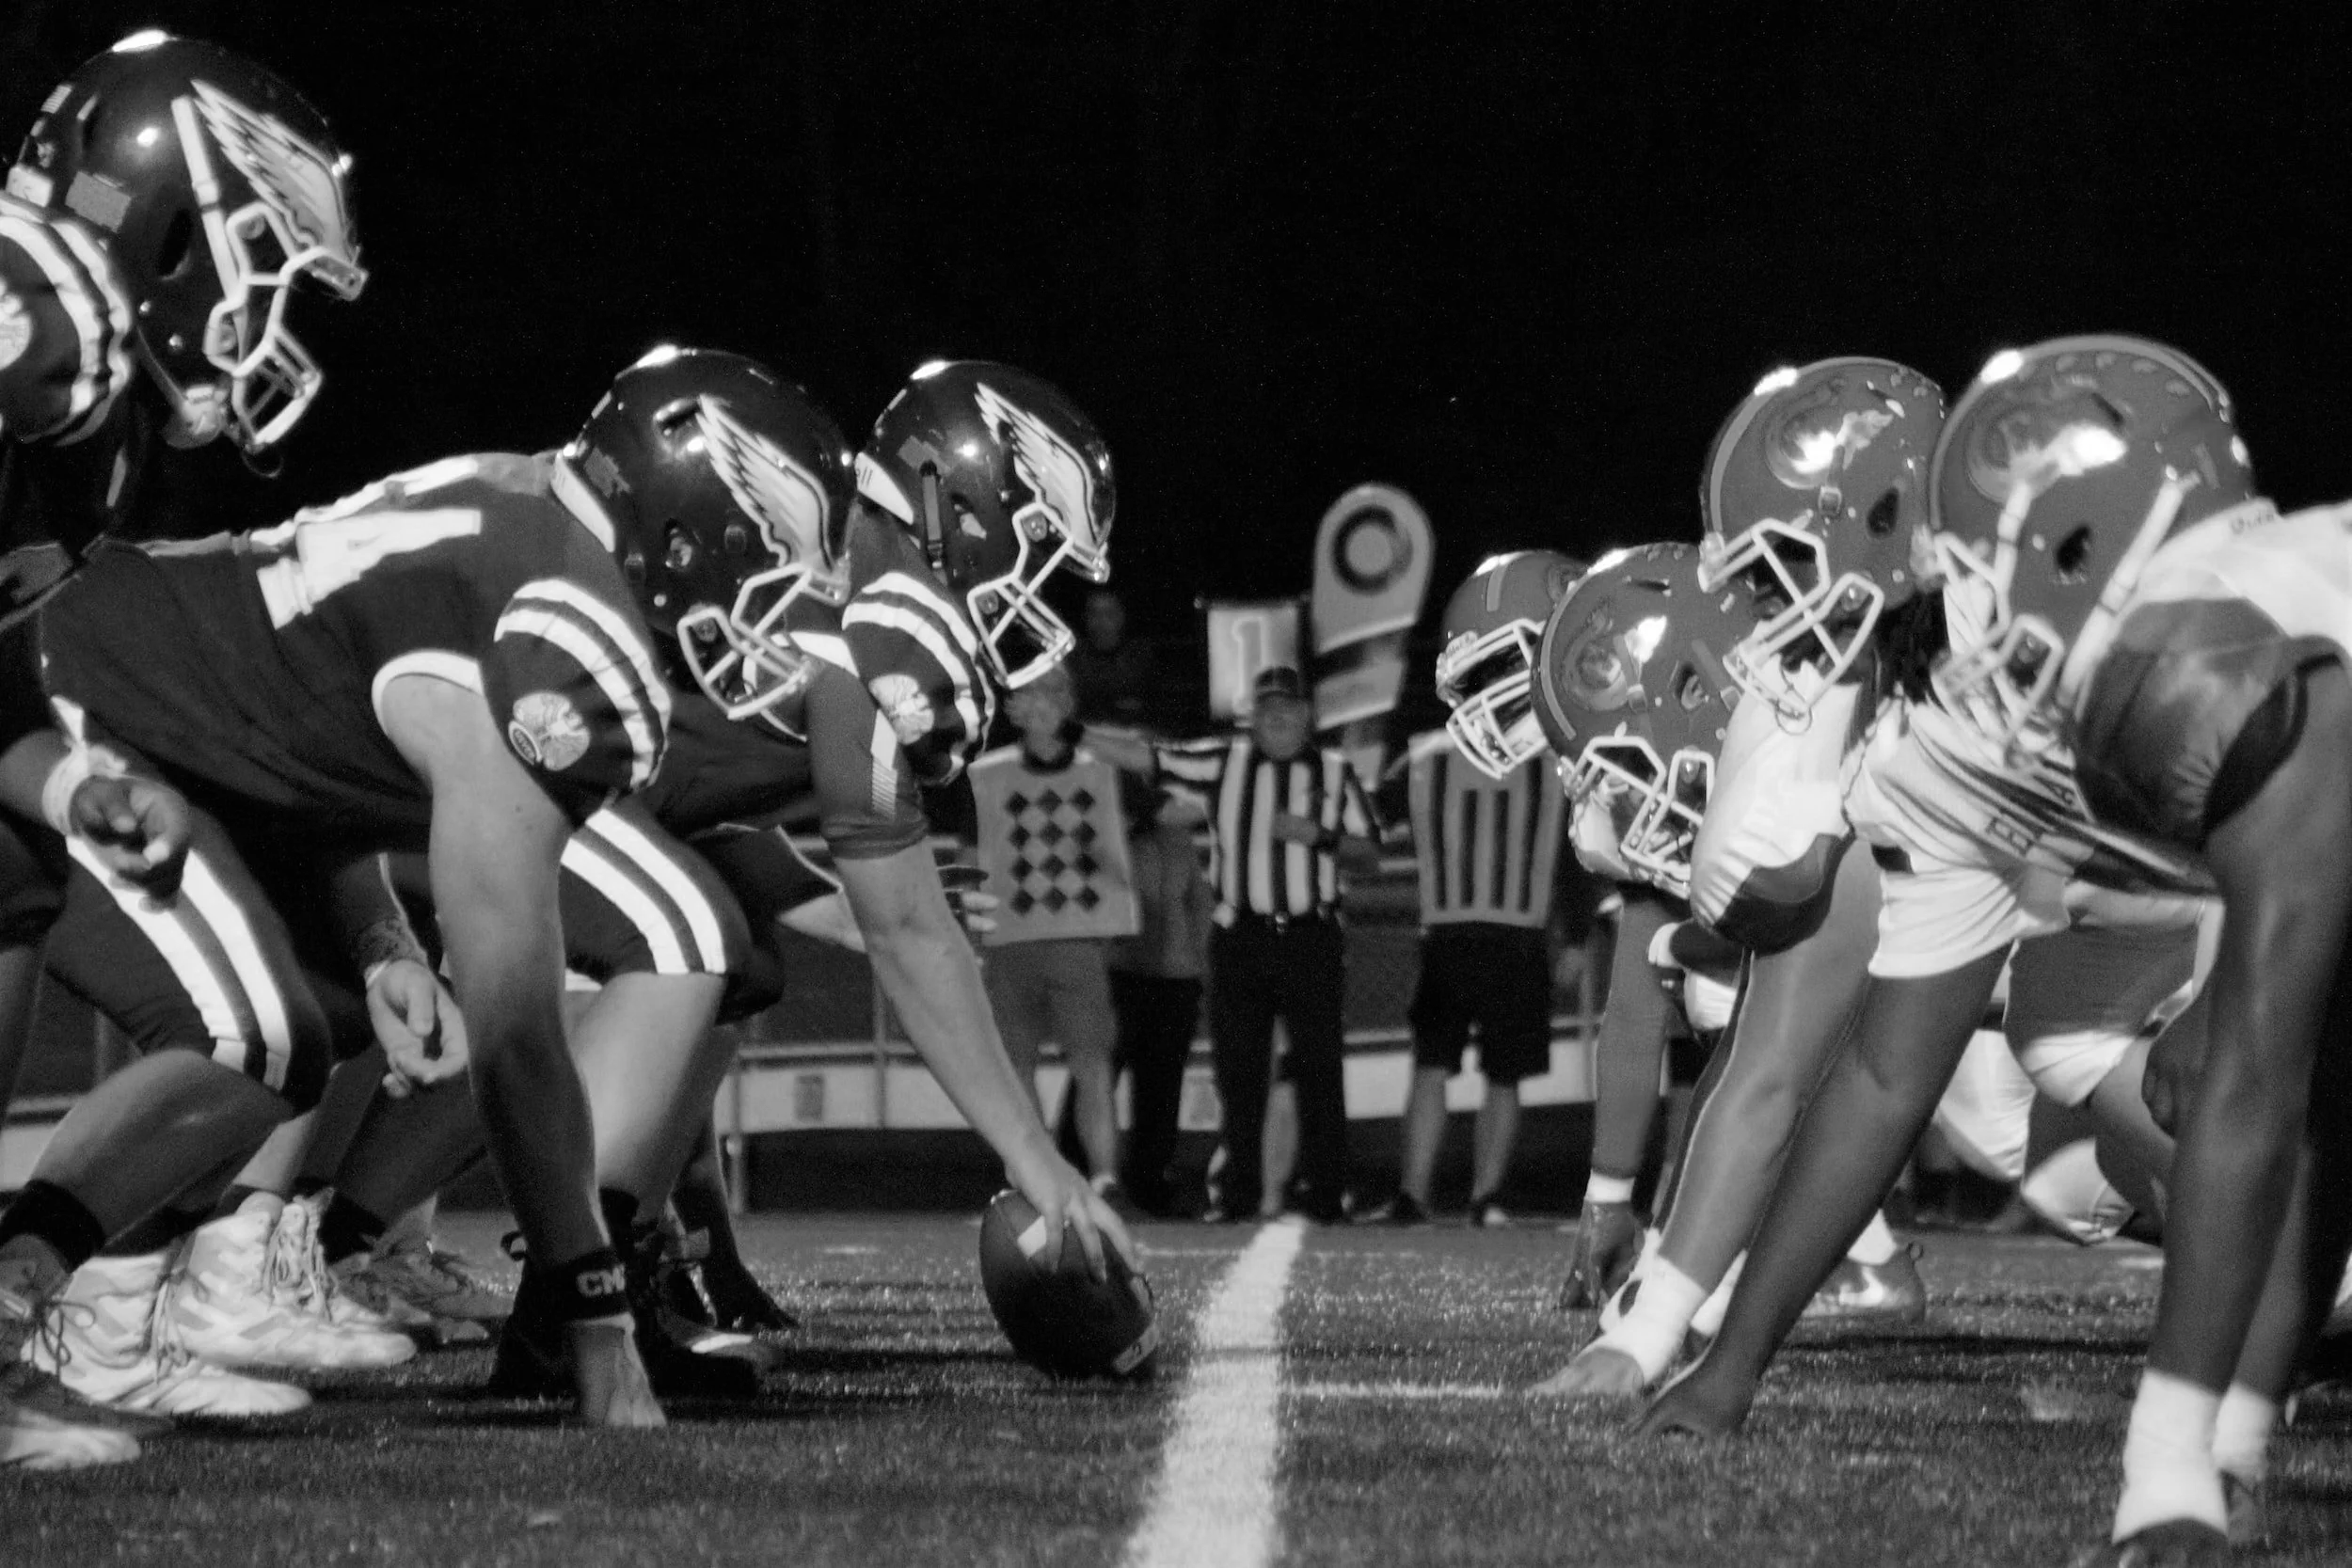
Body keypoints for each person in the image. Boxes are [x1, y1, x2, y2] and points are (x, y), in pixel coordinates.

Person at [1896, 336, 2352, 1561]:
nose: (1977, 613)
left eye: (1986, 566)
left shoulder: (2191, 654)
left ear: (2084, 532)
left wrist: (2163, 1471)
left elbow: (2256, 1093)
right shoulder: (2285, 581)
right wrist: (2224, 1449)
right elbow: (2313, 1108)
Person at [0, 31, 369, 1465]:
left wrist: (74, 781)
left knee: (20, 863)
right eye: (258, 251)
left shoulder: (82, 407)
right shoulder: (36, 316)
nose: (262, 303)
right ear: (170, 220)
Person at [1098, 665, 1379, 1223]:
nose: (1277, 717)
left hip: (1312, 935)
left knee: (1320, 1068)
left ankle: (1328, 1194)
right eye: (1267, 708)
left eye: (1288, 707)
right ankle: (1237, 1194)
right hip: (1241, 935)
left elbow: (1369, 853)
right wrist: (1072, 732)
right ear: (1253, 716)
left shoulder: (1335, 771)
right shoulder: (1225, 762)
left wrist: (1319, 836)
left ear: (1307, 714)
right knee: (1238, 1071)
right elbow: (1150, 758)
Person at [968, 660, 1136, 1196]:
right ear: (1014, 708)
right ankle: (1035, 1177)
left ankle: (1104, 1178)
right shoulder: (984, 774)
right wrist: (972, 936)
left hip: (1080, 941)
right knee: (1015, 1068)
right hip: (1009, 940)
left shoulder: (1103, 769)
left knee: (1092, 1065)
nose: (1041, 703)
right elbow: (968, 857)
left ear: (1069, 702)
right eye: (1031, 693)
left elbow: (1155, 817)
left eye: (1052, 691)